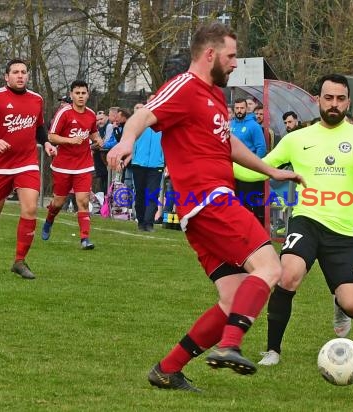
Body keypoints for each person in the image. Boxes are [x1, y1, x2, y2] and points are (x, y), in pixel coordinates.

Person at [106, 22, 304, 392]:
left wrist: (271, 171)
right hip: (209, 199)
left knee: (233, 297)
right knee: (270, 266)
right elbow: (144, 115)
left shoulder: (214, 96)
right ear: (210, 54)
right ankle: (230, 345)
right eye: (230, 56)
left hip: (201, 209)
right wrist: (126, 141)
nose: (234, 64)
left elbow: (227, 145)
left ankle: (167, 369)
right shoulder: (184, 86)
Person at [234, 73, 353, 367]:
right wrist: (222, 165)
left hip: (345, 231)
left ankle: (340, 304)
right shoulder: (297, 139)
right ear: (317, 100)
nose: (334, 104)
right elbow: (259, 170)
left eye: (340, 99)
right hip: (307, 220)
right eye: (328, 98)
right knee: (287, 274)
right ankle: (272, 350)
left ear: (348, 102)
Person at [0, 58, 56, 278]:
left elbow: (39, 127)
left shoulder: (36, 99)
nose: (20, 75)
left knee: (30, 209)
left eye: (23, 72)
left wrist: (45, 142)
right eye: (15, 72)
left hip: (26, 163)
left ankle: (19, 261)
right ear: (6, 77)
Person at [41, 80, 103, 249]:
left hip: (84, 164)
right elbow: (52, 136)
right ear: (71, 95)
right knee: (58, 202)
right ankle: (49, 220)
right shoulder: (64, 113)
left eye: (83, 93)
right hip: (63, 165)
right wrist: (70, 140)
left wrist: (97, 139)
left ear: (88, 95)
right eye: (77, 93)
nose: (81, 96)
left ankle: (84, 239)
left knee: (82, 201)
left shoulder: (91, 114)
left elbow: (92, 132)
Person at [130, 101, 164, 232]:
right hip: (139, 163)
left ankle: (149, 223)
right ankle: (141, 221)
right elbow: (129, 141)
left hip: (156, 164)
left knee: (152, 194)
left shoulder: (162, 123)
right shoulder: (137, 123)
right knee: (140, 194)